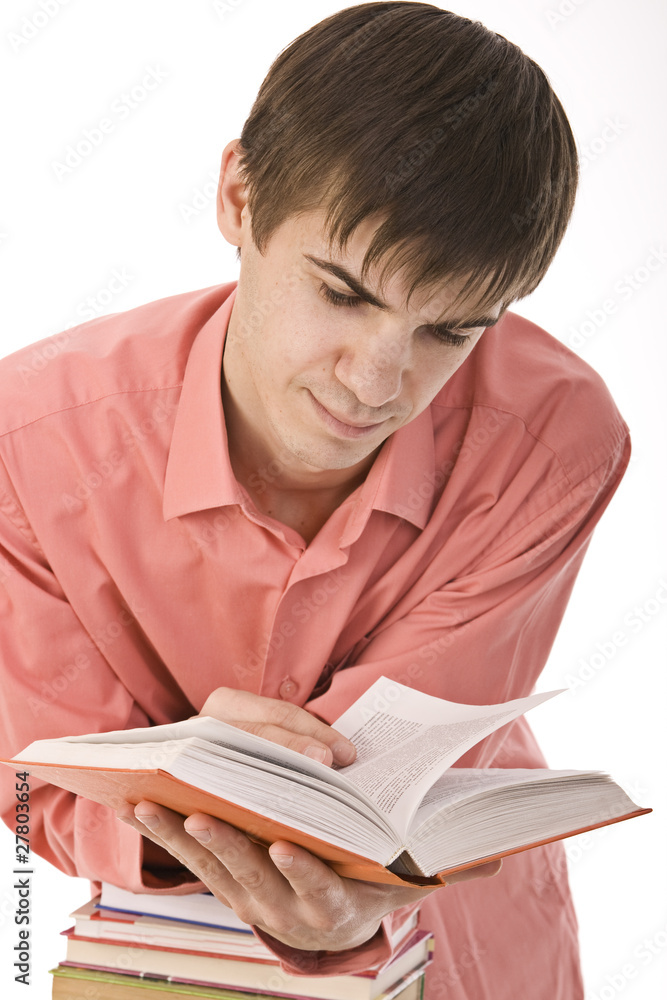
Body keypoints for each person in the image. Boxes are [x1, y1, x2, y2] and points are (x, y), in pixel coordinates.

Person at [0, 4, 630, 997]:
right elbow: (40, 781)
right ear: (238, 198)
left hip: (469, 948)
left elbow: (401, 758)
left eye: (451, 329)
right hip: (172, 964)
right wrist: (193, 823)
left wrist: (327, 867)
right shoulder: (27, 446)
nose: (380, 380)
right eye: (342, 294)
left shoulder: (554, 441)